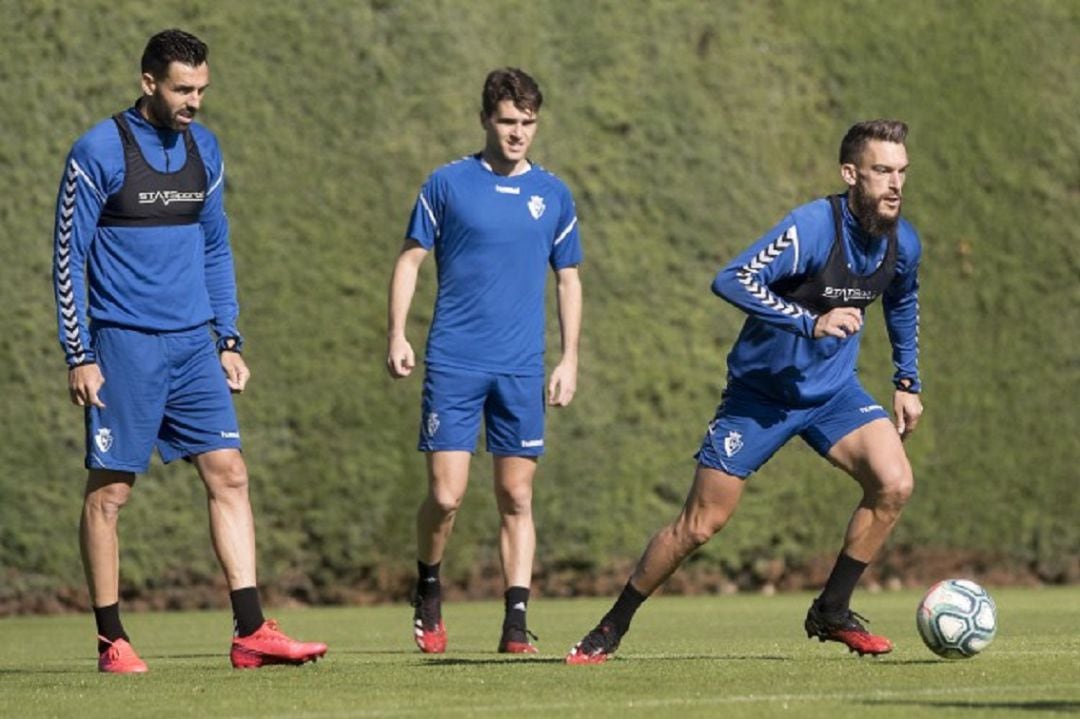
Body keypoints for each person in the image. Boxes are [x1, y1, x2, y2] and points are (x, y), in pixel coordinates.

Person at [566, 119, 922, 664]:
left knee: (894, 483)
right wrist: (811, 321)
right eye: (881, 171)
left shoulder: (903, 243)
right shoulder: (812, 228)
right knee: (700, 525)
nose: (894, 184)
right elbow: (732, 279)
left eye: (901, 172)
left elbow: (901, 299)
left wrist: (906, 381)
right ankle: (611, 626)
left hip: (832, 394)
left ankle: (832, 610)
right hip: (760, 398)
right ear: (851, 174)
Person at [52, 29, 327, 673]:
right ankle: (111, 640)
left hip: (193, 347)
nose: (194, 101)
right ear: (149, 82)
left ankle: (252, 631)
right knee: (110, 493)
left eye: (202, 88)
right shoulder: (98, 150)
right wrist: (78, 352)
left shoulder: (205, 149)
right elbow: (69, 255)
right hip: (122, 345)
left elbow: (215, 247)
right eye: (182, 88)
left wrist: (228, 338)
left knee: (229, 472)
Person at [387, 68, 583, 654]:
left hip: (521, 367)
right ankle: (427, 584)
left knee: (516, 497)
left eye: (527, 123)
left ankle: (516, 622)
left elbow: (568, 281)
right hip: (454, 361)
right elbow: (410, 261)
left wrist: (569, 359)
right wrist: (397, 333)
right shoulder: (447, 184)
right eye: (507, 121)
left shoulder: (553, 194)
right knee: (446, 496)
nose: (518, 133)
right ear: (485, 120)